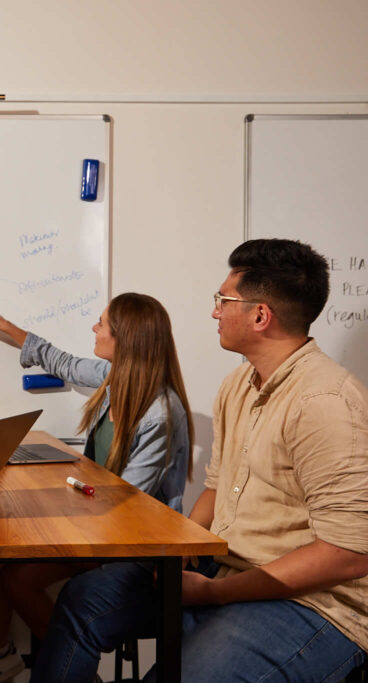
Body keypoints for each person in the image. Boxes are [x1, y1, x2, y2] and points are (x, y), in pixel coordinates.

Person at [34, 238, 368, 682]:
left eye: (222, 300)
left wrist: (216, 594)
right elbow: (215, 487)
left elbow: (347, 555)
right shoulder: (239, 384)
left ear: (260, 315)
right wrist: (182, 553)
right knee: (83, 599)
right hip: (228, 565)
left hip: (311, 602)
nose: (214, 311)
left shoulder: (325, 401)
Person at [0, 291, 194, 683]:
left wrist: (55, 507)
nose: (94, 328)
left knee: (17, 574)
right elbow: (59, 360)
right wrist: (3, 325)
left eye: (102, 323)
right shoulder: (114, 378)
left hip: (132, 543)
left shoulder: (160, 412)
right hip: (99, 525)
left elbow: (126, 502)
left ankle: (67, 672)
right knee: (0, 559)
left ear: (125, 339)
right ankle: (4, 655)